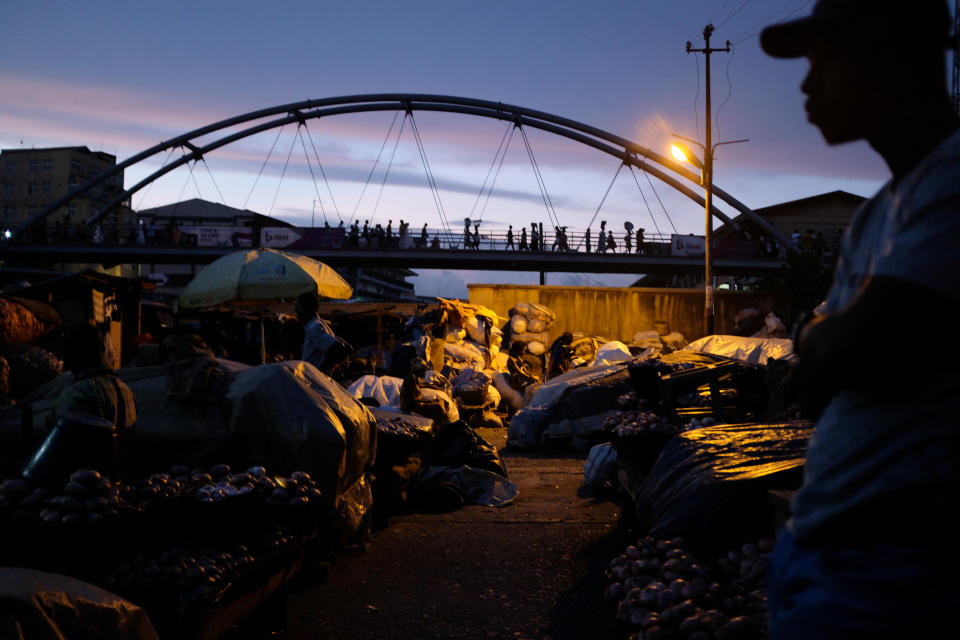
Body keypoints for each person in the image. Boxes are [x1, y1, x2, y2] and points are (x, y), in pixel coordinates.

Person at [760, 2, 960, 638]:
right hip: (831, 551)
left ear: (888, 60)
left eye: (825, 63)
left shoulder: (952, 182)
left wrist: (819, 338)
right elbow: (831, 364)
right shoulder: (881, 212)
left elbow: (861, 341)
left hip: (904, 567)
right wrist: (827, 342)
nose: (807, 86)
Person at [54, 323, 137, 432]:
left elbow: (60, 438)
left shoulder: (76, 395)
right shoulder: (126, 391)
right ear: (103, 349)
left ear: (72, 354)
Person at [295, 292, 351, 374]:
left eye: (297, 308)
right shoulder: (320, 324)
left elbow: (341, 350)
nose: (296, 312)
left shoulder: (314, 328)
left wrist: (321, 369)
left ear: (305, 308)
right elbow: (347, 347)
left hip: (313, 379)